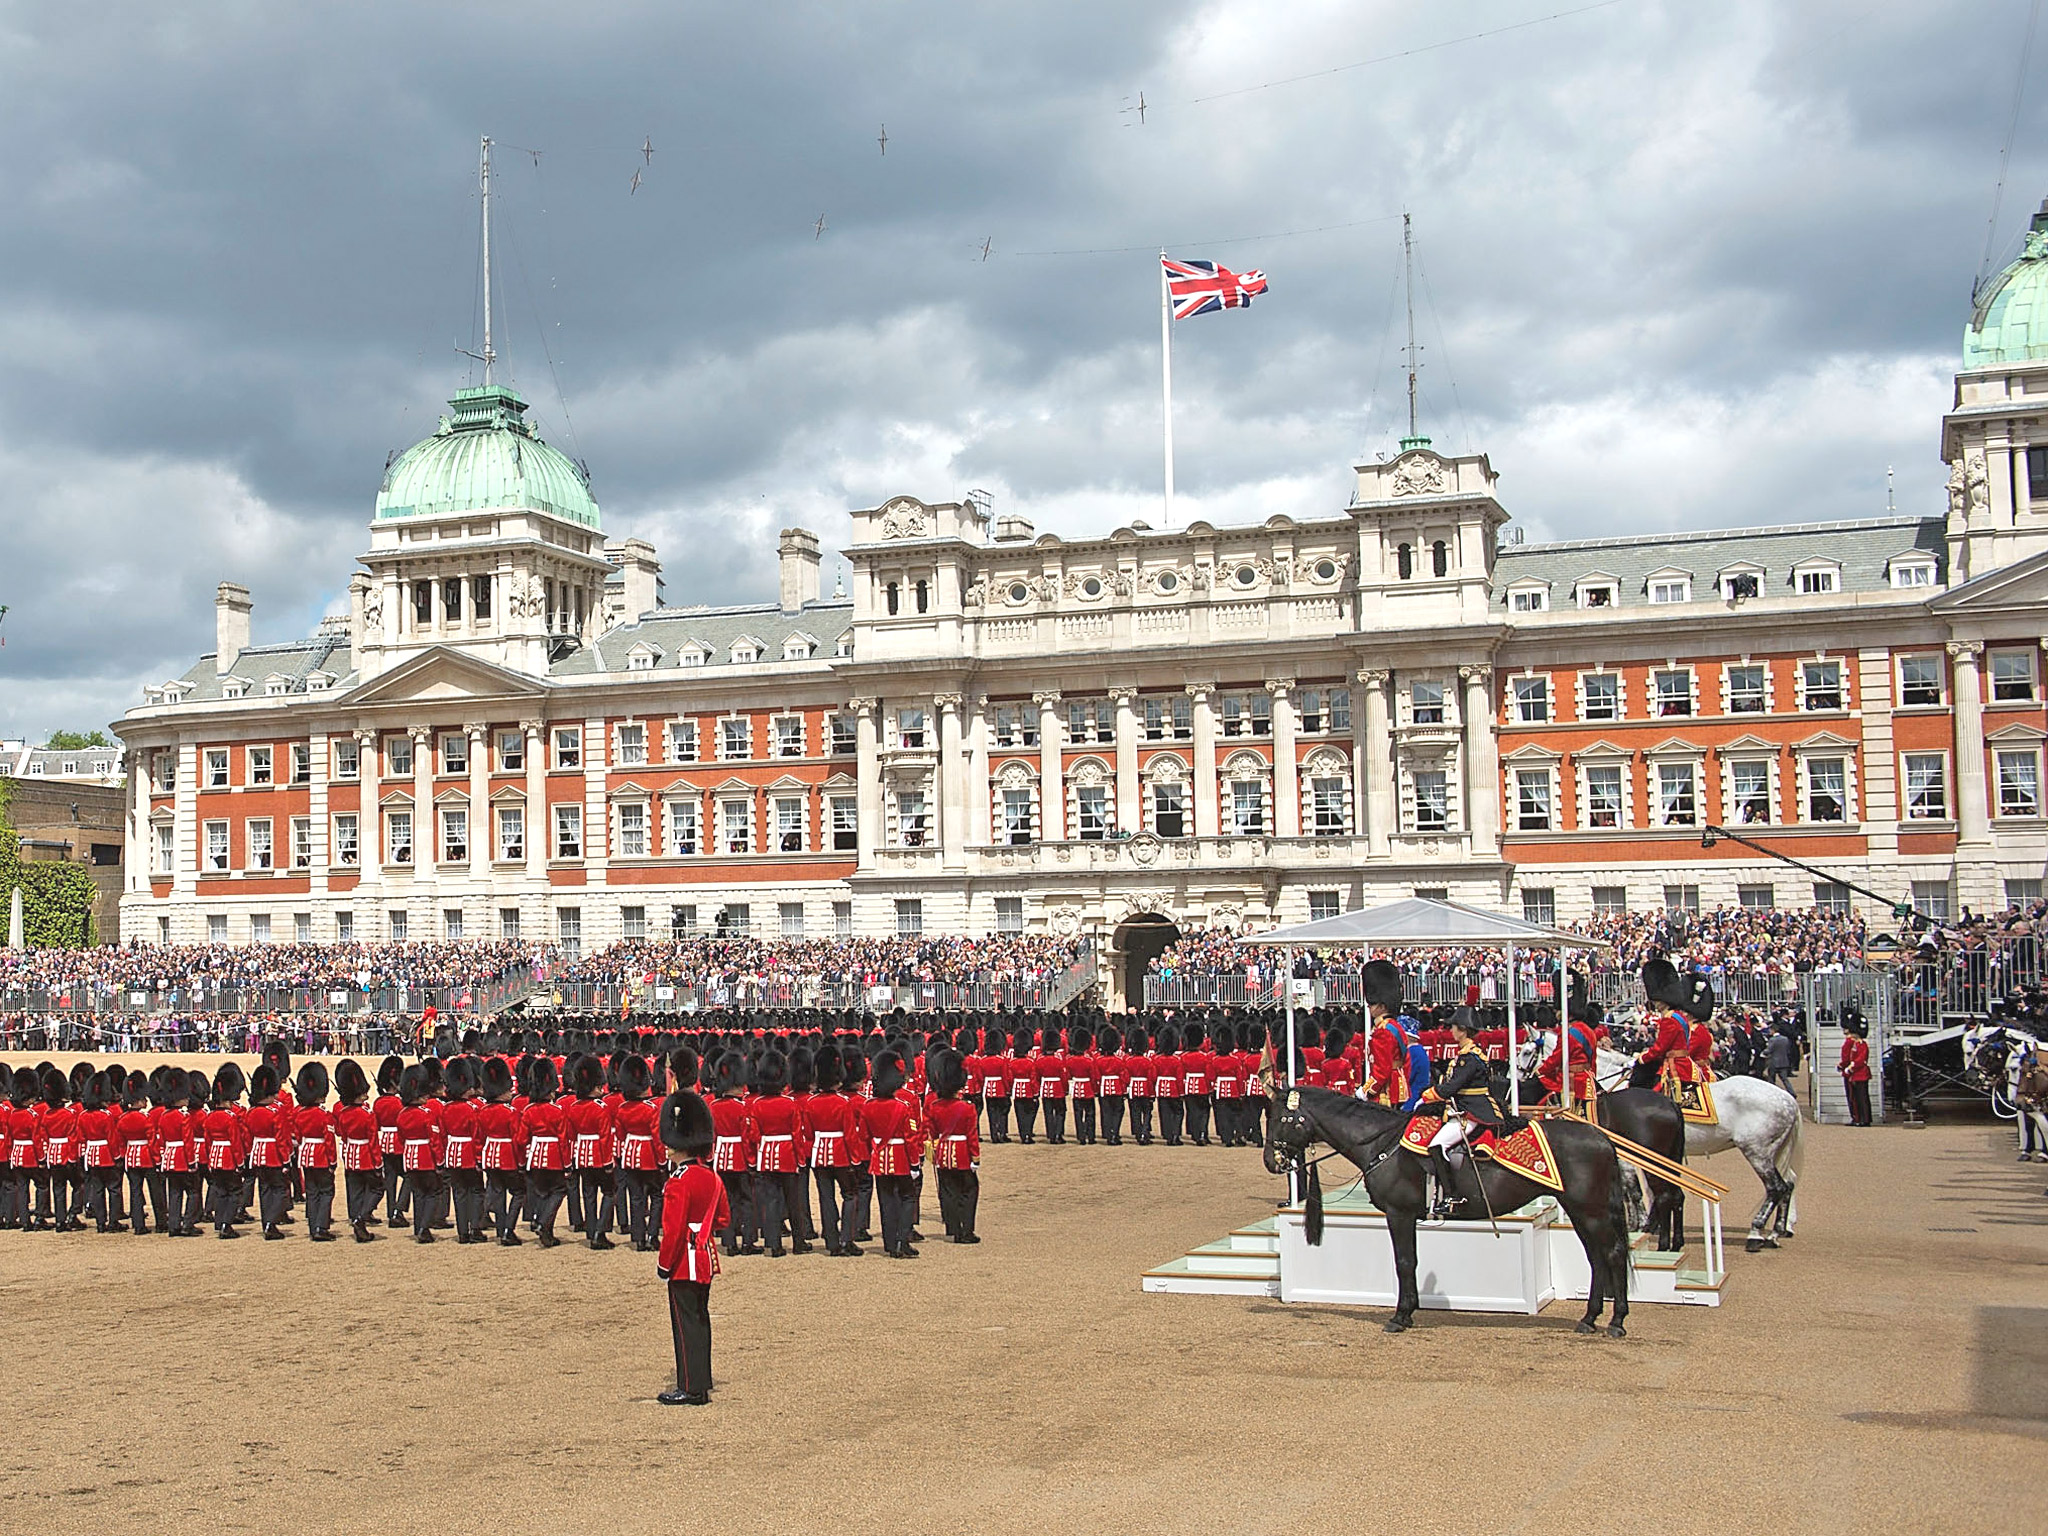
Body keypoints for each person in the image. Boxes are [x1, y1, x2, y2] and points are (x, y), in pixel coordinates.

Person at [655, 1088, 727, 1407]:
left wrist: (663, 1264)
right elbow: (722, 1219)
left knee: (685, 1325)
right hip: (705, 1258)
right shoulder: (711, 1177)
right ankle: (702, 1378)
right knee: (700, 1319)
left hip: (684, 1260)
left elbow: (671, 1231)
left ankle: (691, 1387)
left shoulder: (678, 1181)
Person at [1414, 1012, 1510, 1219]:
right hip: (1462, 1107)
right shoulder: (1467, 1053)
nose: (1451, 1031)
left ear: (1463, 1030)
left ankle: (1453, 1196)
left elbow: (1453, 1086)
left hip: (1472, 1111)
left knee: (1436, 1146)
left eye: (1454, 1027)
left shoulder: (1469, 1058)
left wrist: (1428, 1095)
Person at [862, 1050, 924, 1258]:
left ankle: (890, 1243)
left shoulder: (868, 1106)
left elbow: (863, 1134)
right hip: (900, 1159)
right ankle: (902, 1239)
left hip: (879, 1160)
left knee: (886, 1200)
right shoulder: (902, 1107)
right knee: (907, 1197)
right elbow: (910, 1139)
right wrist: (914, 1164)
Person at [1361, 961, 1433, 1111]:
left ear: (1381, 1005)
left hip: (1385, 1091)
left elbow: (1382, 1070)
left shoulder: (1383, 1031)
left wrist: (1365, 1091)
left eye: (1371, 1005)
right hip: (1397, 1088)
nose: (1369, 1007)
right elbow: (1404, 1062)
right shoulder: (1394, 1026)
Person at [926, 1047, 980, 1243]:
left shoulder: (934, 1106)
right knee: (968, 1190)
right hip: (963, 1153)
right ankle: (966, 1230)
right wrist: (975, 1158)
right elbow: (972, 1136)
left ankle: (952, 1227)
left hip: (943, 1153)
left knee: (948, 1190)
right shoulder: (967, 1108)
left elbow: (930, 1132)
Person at [478, 1056, 527, 1246]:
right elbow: (518, 1140)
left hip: (490, 1156)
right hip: (508, 1156)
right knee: (518, 1192)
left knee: (497, 1192)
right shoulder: (511, 1112)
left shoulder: (483, 1111)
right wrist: (522, 1162)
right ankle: (509, 1229)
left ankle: (500, 1229)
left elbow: (480, 1138)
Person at [334, 1058, 382, 1243]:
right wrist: (377, 1163)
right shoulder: (367, 1114)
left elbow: (342, 1135)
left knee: (355, 1191)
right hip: (365, 1156)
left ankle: (356, 1218)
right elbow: (372, 1141)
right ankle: (361, 1217)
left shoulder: (344, 1113)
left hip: (351, 1155)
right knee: (377, 1188)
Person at [396, 1064, 444, 1245]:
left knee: (418, 1194)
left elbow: (401, 1139)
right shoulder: (427, 1114)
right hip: (426, 1159)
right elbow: (434, 1141)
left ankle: (418, 1227)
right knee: (432, 1192)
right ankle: (424, 1227)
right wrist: (439, 1161)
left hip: (409, 1158)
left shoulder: (401, 1114)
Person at [441, 1057, 486, 1244]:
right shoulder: (472, 1109)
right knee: (476, 1191)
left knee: (459, 1193)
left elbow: (443, 1136)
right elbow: (476, 1137)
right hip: (468, 1154)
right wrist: (478, 1159)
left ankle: (462, 1232)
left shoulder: (446, 1109)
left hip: (452, 1154)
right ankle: (475, 1228)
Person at [292, 1062, 337, 1242]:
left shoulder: (300, 1113)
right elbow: (329, 1141)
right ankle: (321, 1226)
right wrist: (332, 1161)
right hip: (321, 1156)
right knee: (326, 1191)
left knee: (311, 1192)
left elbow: (298, 1135)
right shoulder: (324, 1115)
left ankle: (313, 1225)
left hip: (306, 1155)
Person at [1838, 1021, 1873, 1126]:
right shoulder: (1856, 1044)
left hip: (1860, 1074)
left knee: (1861, 1098)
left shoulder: (1861, 1044)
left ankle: (1863, 1119)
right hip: (1855, 1074)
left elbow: (1861, 1060)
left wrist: (1850, 1067)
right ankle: (1859, 1118)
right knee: (1856, 1099)